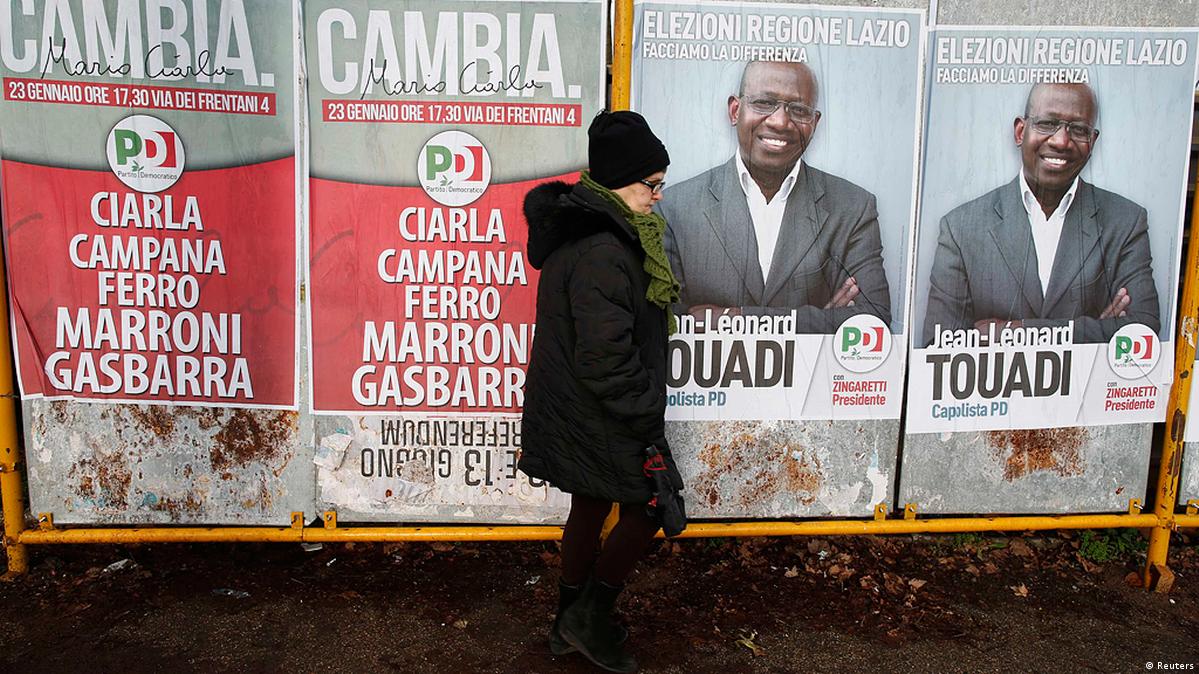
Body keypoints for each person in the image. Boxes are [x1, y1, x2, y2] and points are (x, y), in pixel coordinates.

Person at [519, 110, 682, 674]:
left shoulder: (595, 232)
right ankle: (587, 616)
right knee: (651, 506)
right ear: (618, 180)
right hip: (599, 407)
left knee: (590, 501)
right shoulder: (605, 250)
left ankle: (569, 622)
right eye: (651, 184)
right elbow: (605, 356)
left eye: (662, 184)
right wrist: (646, 418)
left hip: (579, 405)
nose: (659, 196)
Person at [656, 60, 891, 333]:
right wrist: (820, 322)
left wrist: (737, 319)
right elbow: (662, 321)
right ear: (735, 111)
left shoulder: (852, 207)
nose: (780, 121)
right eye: (764, 103)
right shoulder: (674, 208)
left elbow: (873, 320)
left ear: (814, 124)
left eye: (799, 110)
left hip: (811, 377)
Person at [922, 82, 1160, 345]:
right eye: (1047, 124)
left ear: (1092, 142)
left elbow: (1142, 331)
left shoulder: (1125, 221)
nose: (1061, 141)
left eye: (1078, 129)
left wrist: (1012, 332)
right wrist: (1096, 331)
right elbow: (938, 344)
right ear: (1020, 132)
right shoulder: (961, 228)